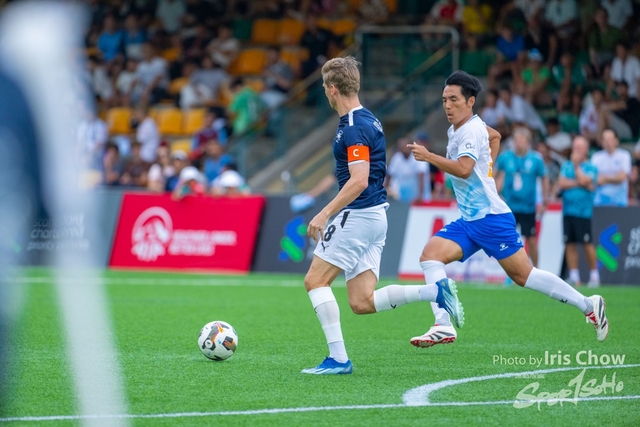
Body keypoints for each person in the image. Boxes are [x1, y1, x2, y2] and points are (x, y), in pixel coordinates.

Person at [407, 70, 608, 348]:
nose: (447, 106)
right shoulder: (462, 128)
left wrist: (430, 156)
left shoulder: (470, 130)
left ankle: (589, 304)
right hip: (471, 220)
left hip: (491, 219)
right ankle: (442, 324)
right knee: (430, 256)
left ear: (470, 101)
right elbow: (496, 136)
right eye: (444, 100)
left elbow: (464, 170)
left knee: (524, 276)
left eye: (453, 100)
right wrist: (487, 169)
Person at [301, 57, 462, 375]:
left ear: (332, 89)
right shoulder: (369, 119)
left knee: (315, 281)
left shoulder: (354, 126)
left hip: (358, 216)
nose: (324, 91)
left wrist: (324, 213)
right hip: (376, 217)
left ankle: (338, 360)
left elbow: (359, 180)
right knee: (361, 302)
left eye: (324, 86)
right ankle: (435, 291)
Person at [494, 127, 549, 267]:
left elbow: (544, 178)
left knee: (531, 239)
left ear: (528, 143)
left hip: (528, 207)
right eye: (517, 140)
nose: (519, 143)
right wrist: (495, 195)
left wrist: (545, 200)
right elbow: (493, 175)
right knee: (508, 239)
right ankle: (511, 270)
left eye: (522, 141)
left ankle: (536, 268)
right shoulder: (505, 157)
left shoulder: (536, 159)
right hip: (509, 206)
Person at [558, 136, 600, 287]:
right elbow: (562, 183)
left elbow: (586, 181)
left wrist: (576, 167)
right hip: (567, 211)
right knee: (569, 243)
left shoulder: (591, 167)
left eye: (580, 148)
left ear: (586, 150)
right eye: (575, 147)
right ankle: (574, 275)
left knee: (587, 243)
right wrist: (579, 183)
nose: (577, 151)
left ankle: (594, 275)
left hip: (583, 212)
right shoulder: (566, 165)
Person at [591, 128, 632, 207]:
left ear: (616, 140)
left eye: (610, 139)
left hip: (619, 203)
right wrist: (615, 178)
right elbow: (594, 180)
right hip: (599, 203)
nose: (607, 142)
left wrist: (604, 178)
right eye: (605, 139)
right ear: (602, 142)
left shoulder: (624, 155)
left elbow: (622, 177)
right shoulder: (596, 157)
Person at [385, 137, 426, 203]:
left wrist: (420, 195)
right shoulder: (397, 157)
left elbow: (421, 176)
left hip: (417, 196)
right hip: (401, 195)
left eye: (405, 145)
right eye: (401, 145)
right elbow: (389, 174)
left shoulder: (418, 156)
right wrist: (384, 190)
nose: (402, 147)